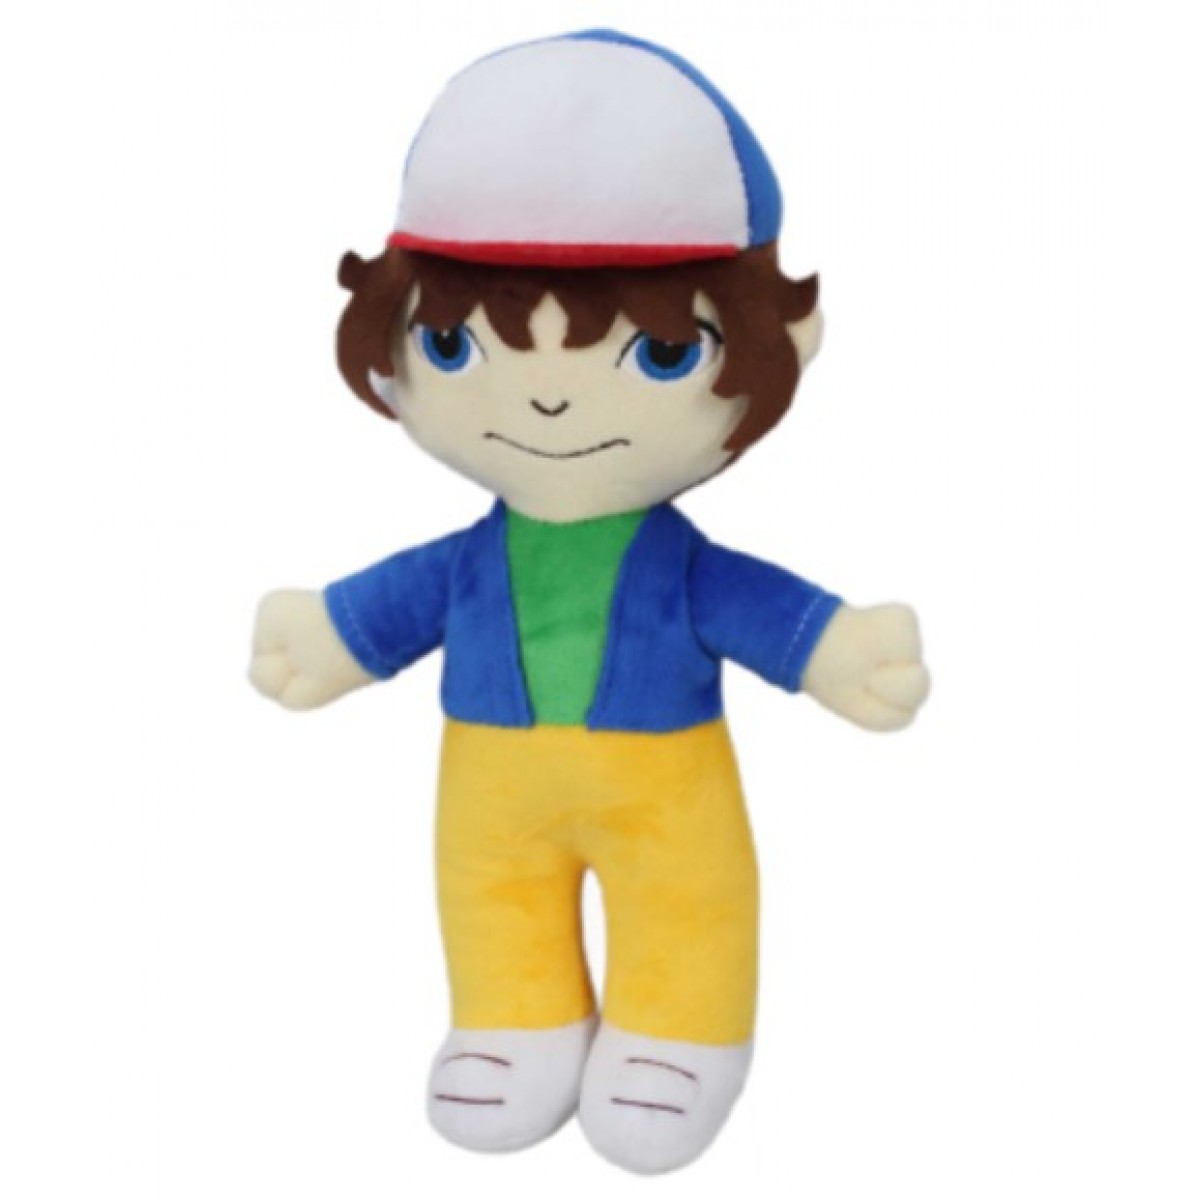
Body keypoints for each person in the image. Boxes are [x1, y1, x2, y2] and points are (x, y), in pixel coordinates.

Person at [249, 28, 930, 1175]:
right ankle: (512, 1022)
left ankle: (680, 1031)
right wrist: (331, 633)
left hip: (662, 783)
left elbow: (749, 603)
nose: (549, 404)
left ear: (780, 340)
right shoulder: (472, 558)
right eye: (454, 343)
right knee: (490, 898)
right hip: (491, 780)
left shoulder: (678, 561)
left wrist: (832, 648)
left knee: (687, 899)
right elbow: (402, 601)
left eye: (661, 356)